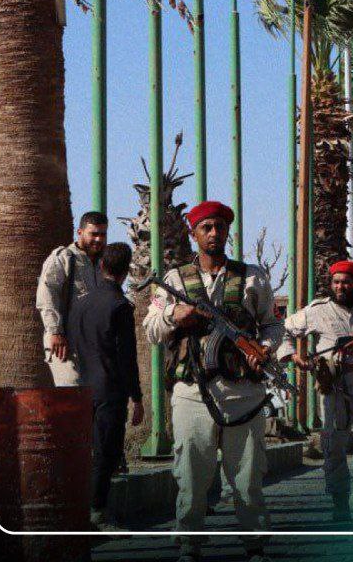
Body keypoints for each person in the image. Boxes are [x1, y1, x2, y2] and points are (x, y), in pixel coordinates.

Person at [143, 201, 279, 562]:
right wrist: (174, 314)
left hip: (243, 391)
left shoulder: (252, 277)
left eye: (220, 226)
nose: (214, 233)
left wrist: (263, 349)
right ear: (194, 233)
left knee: (247, 475)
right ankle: (189, 545)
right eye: (206, 227)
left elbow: (272, 324)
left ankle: (255, 544)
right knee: (191, 474)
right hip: (192, 391)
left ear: (227, 231)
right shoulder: (174, 280)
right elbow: (151, 329)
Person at [280, 259, 353, 521]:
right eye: (336, 282)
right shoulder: (316, 311)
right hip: (333, 387)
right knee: (333, 445)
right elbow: (284, 330)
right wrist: (293, 356)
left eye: (346, 282)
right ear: (331, 283)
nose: (341, 286)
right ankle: (340, 501)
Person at [65, 241, 143, 531]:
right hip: (110, 389)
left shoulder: (80, 305)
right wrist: (137, 397)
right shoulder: (120, 306)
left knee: (84, 452)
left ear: (101, 266)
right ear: (127, 271)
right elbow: (127, 356)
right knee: (106, 453)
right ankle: (97, 512)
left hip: (82, 386)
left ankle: (79, 511)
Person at [36, 210, 109, 386]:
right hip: (65, 344)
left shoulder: (104, 263)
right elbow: (46, 295)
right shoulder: (63, 258)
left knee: (95, 398)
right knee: (72, 393)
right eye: (94, 234)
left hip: (94, 346)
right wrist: (55, 331)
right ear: (80, 232)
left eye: (103, 234)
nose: (98, 239)